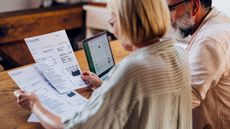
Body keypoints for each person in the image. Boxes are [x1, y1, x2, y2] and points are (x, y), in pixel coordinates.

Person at [14, 0, 192, 128]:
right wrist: (104, 86)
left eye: (113, 18)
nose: (111, 26)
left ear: (127, 21)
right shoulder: (178, 54)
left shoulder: (134, 68)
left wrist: (34, 105)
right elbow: (144, 97)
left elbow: (73, 127)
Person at [166, 0, 230, 128]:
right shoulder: (217, 20)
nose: (167, 18)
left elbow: (178, 105)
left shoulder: (209, 41)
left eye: (171, 9)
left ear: (194, 6)